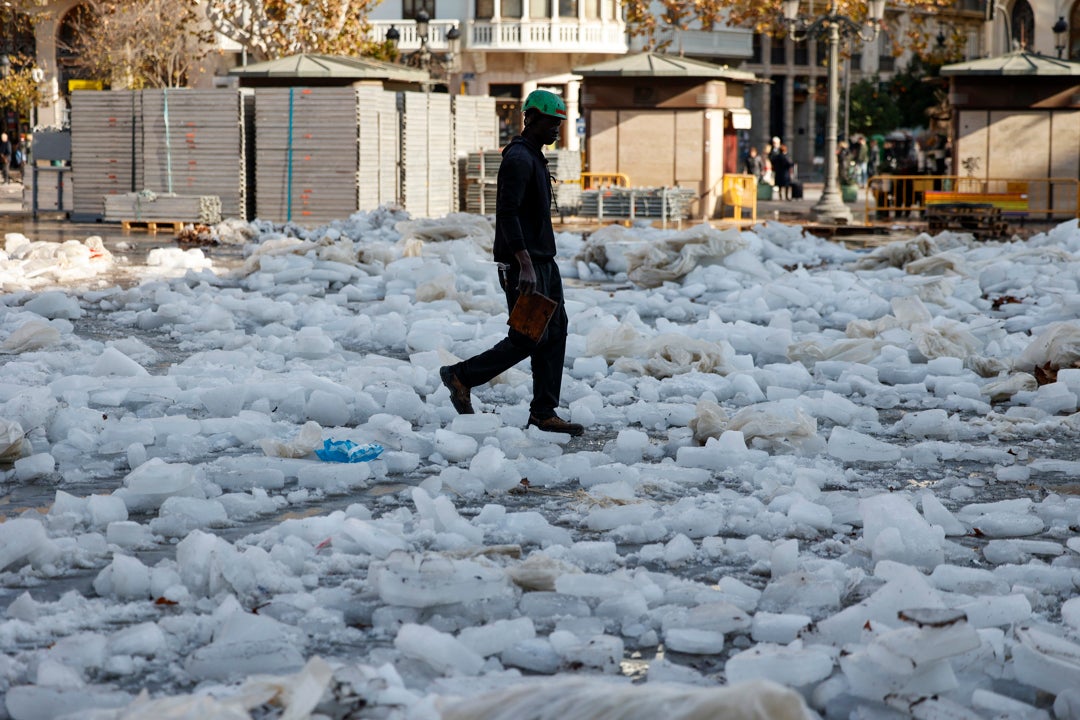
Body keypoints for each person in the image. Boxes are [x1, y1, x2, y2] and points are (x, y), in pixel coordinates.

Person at [439, 90, 584, 436]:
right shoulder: (519, 159)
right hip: (525, 265)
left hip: (543, 262)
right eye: (551, 122)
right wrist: (525, 264)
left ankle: (543, 413)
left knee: (556, 333)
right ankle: (461, 375)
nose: (556, 130)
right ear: (530, 118)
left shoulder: (534, 156)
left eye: (559, 124)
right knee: (528, 337)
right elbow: (506, 213)